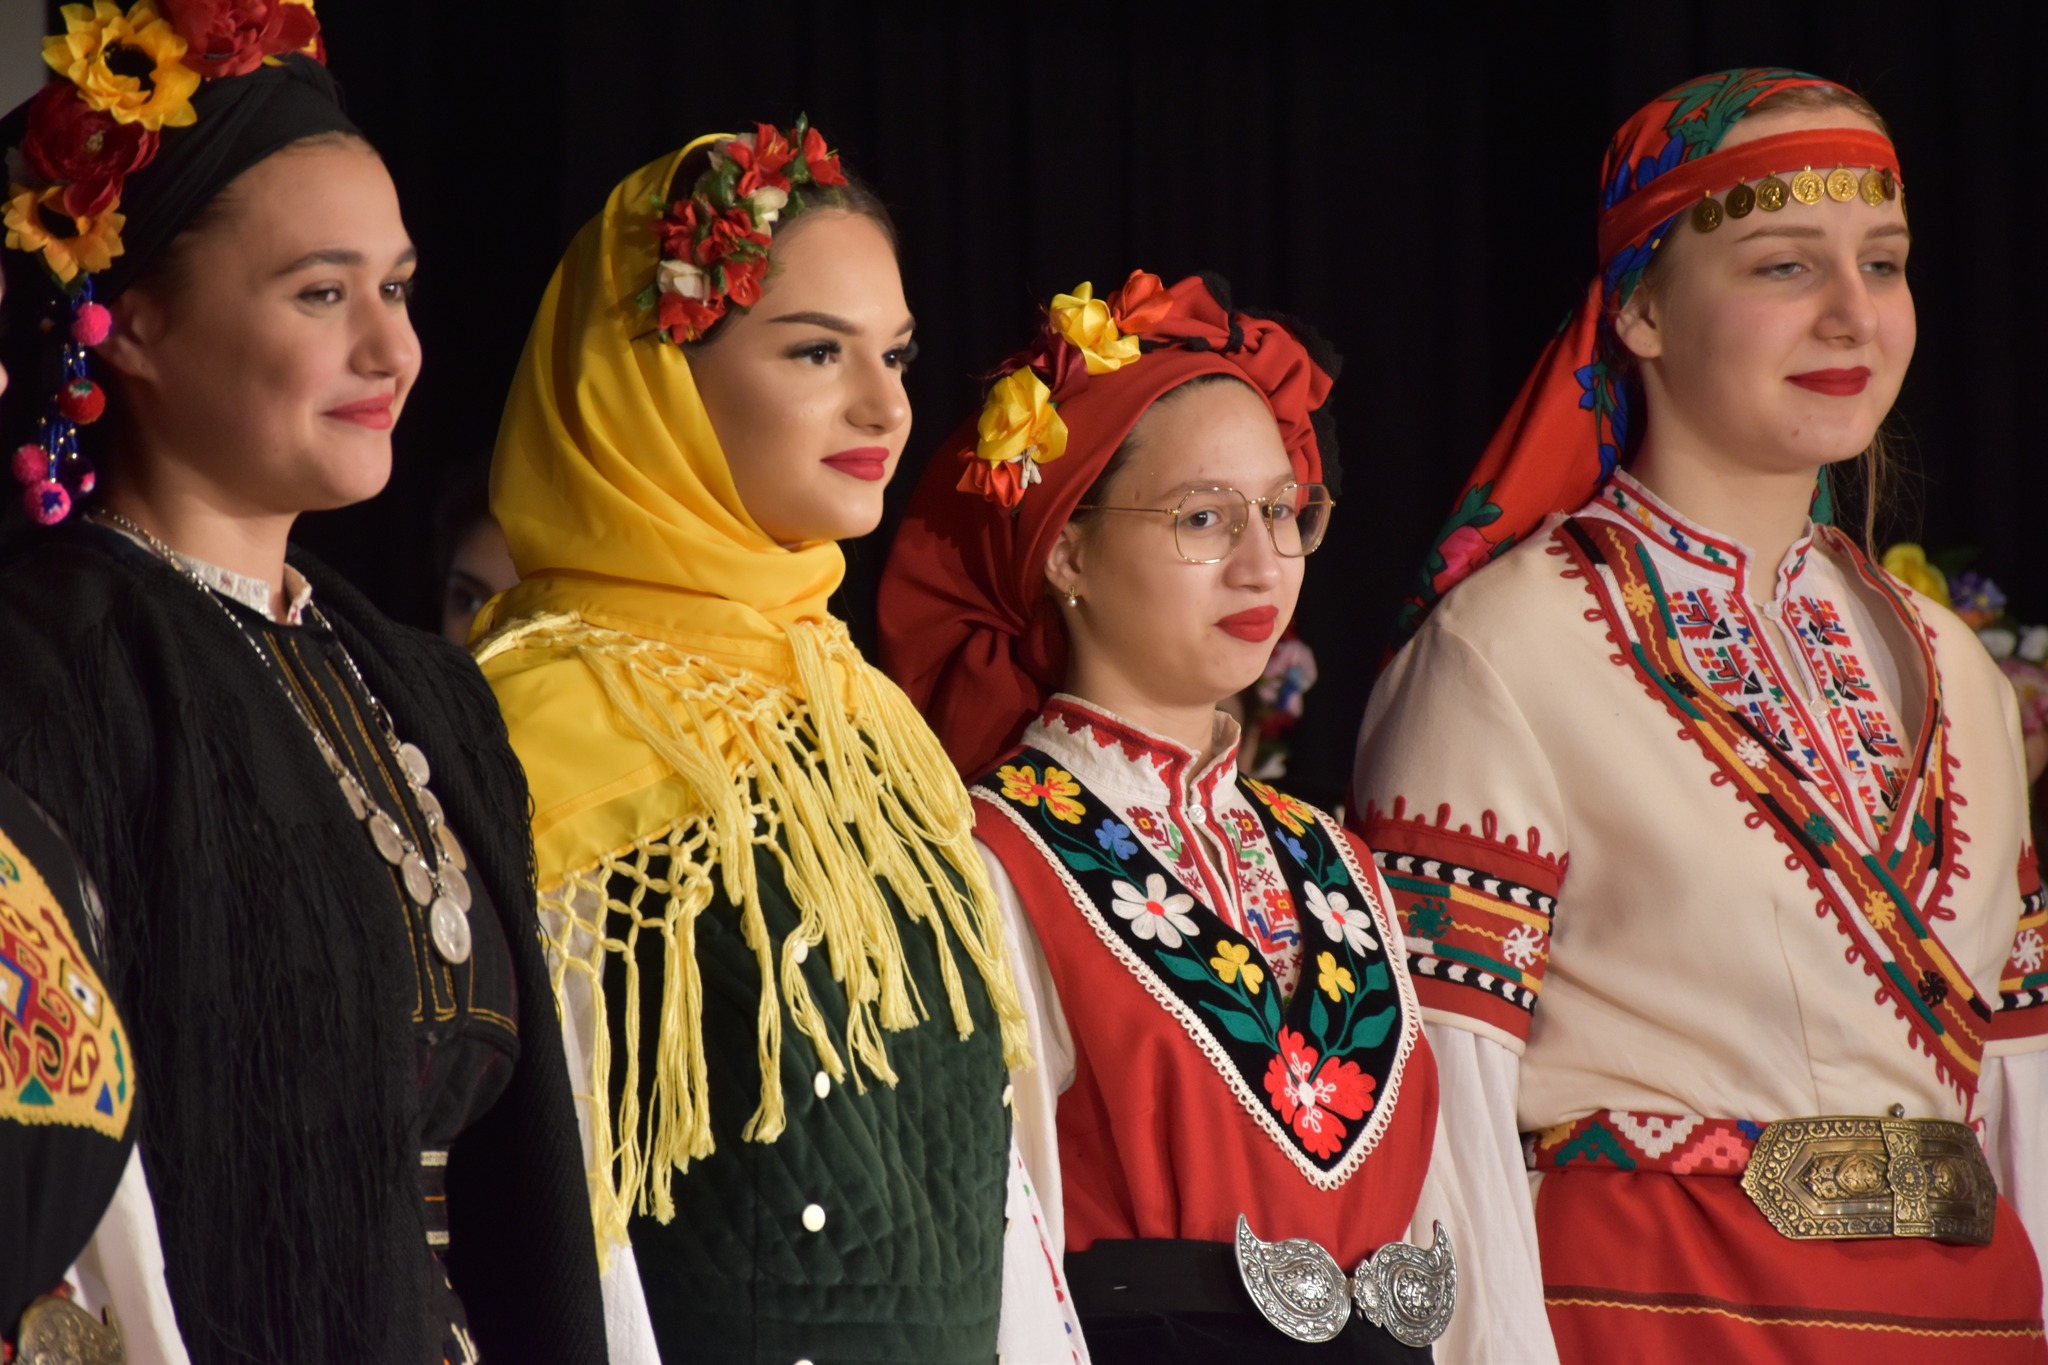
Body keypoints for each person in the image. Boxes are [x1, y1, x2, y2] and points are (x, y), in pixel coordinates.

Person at [1354, 68, 2048, 1363]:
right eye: (1785, 266)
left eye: (1882, 263)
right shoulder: (1504, 650)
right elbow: (1443, 1109)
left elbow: (2022, 1085)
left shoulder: (1955, 668)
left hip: (1970, 1322)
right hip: (1658, 1315)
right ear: (1638, 311)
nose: (1851, 313)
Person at [0, 7, 606, 1361]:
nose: (393, 351)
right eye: (323, 294)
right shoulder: (49, 672)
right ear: (133, 322)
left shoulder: (427, 692)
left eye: (398, 288)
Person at [471, 120, 1066, 1364]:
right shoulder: (537, 719)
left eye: (895, 355)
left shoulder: (866, 718)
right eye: (814, 351)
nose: (884, 406)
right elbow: (553, 1217)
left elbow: (988, 1181)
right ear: (656, 380)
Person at [880, 270, 1454, 1361]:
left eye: (1281, 512)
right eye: (1202, 518)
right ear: (1065, 549)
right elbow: (991, 1270)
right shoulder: (987, 859)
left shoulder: (1334, 857)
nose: (1261, 563)